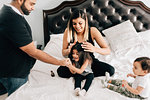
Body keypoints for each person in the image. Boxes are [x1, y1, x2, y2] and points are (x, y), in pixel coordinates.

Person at [0, 0, 69, 96]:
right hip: (15, 74)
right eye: (31, 4)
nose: (33, 8)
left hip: (16, 71)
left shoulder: (13, 13)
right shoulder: (11, 18)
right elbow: (33, 51)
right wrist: (59, 62)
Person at [57, 9, 115, 78]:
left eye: (80, 23)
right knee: (60, 72)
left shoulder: (92, 31)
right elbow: (63, 53)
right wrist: (69, 50)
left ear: (85, 21)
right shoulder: (68, 31)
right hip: (74, 63)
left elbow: (107, 50)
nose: (77, 26)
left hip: (89, 62)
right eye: (74, 23)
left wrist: (94, 49)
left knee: (110, 70)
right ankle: (85, 73)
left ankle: (81, 73)